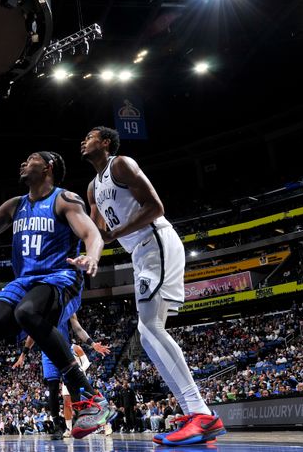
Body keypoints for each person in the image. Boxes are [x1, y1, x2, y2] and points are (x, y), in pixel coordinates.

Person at [0, 153, 117, 451]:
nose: (22, 162)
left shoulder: (63, 199)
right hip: (24, 282)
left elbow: (91, 233)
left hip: (61, 277)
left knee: (27, 312)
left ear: (48, 167)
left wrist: (92, 256)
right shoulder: (16, 205)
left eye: (30, 159)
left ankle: (90, 397)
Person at [81, 126, 226, 446]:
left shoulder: (121, 165)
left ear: (105, 143)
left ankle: (202, 414)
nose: (84, 140)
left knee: (151, 328)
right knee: (147, 335)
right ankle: (196, 413)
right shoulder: (92, 188)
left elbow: (155, 207)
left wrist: (116, 234)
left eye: (90, 136)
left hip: (156, 241)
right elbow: (99, 233)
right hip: (139, 253)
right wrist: (88, 254)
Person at [13, 313, 110, 439]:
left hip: (65, 349)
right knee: (53, 389)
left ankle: (93, 420)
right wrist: (23, 354)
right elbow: (33, 333)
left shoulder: (66, 305)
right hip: (47, 353)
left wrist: (92, 344)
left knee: (75, 392)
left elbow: (78, 328)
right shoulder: (39, 308)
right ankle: (58, 426)